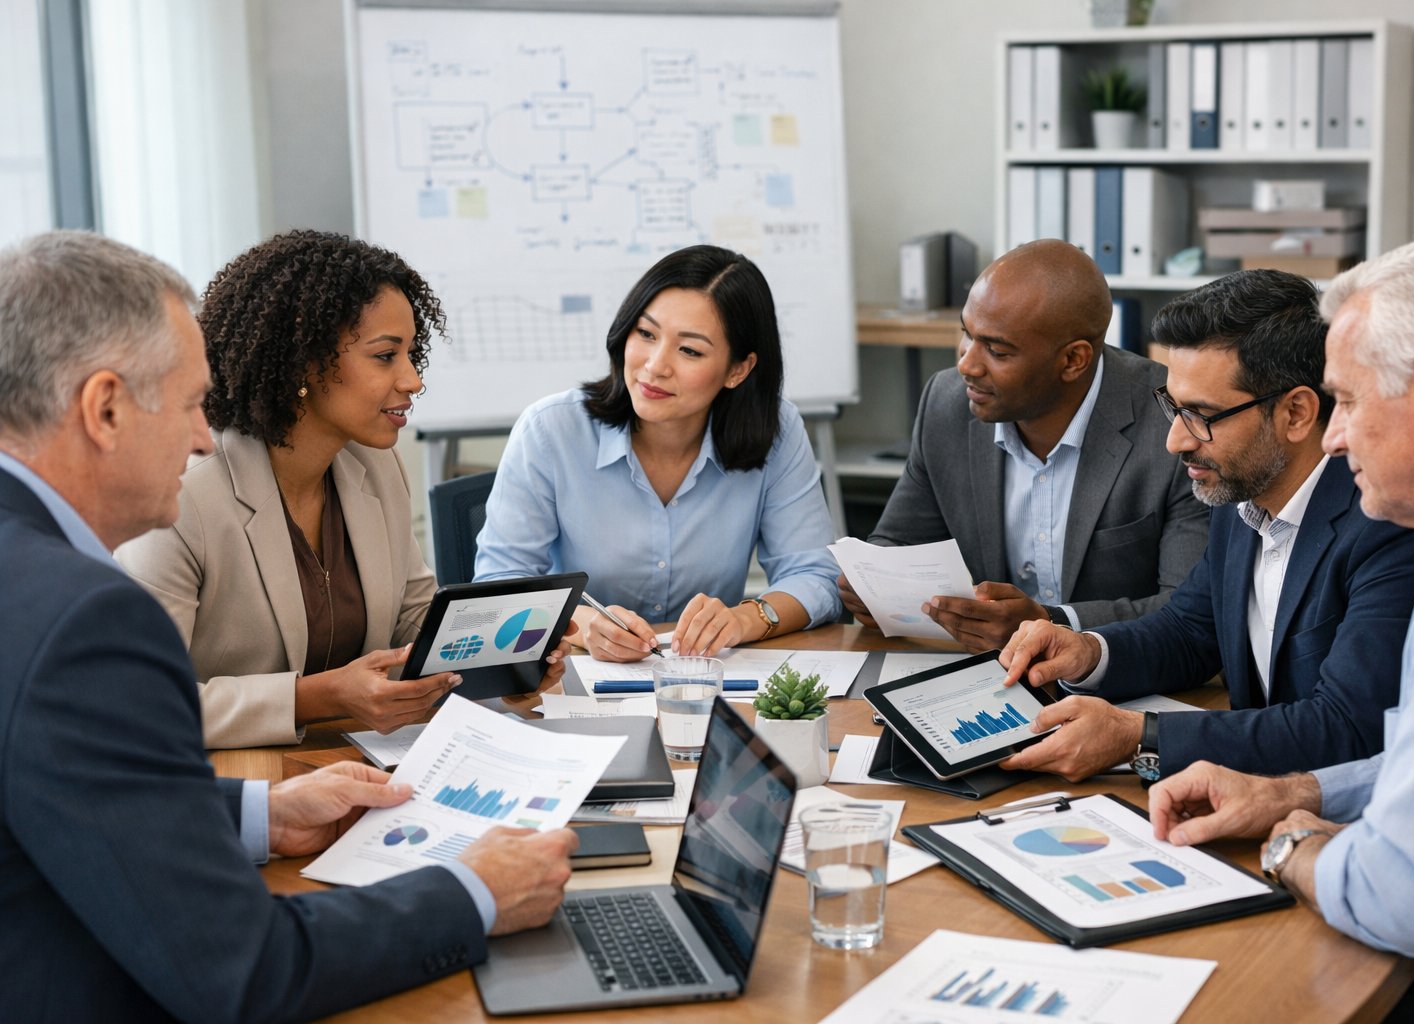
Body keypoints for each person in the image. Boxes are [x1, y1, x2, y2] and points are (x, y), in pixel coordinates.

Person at [0, 230, 578, 1021]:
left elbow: (68, 784)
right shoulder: (81, 616)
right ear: (104, 407)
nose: (204, 434)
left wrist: (260, 814)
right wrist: (473, 890)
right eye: (191, 405)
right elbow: (242, 969)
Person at [1147, 240, 1414, 1024]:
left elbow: (1410, 894)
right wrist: (1299, 792)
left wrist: (1296, 848)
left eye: (1349, 402)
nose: (1332, 437)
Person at [115, 230, 571, 749]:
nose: (412, 380)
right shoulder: (182, 496)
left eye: (411, 354)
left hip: (357, 764)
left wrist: (503, 666)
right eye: (385, 356)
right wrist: (318, 697)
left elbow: (412, 622)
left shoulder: (374, 464)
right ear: (305, 362)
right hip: (236, 784)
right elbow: (140, 704)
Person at [996, 270, 1414, 782]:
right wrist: (1089, 652)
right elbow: (1191, 630)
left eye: (1201, 415)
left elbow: (1348, 728)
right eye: (1174, 408)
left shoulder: (1386, 522)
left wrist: (1140, 736)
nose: (1176, 440)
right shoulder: (1240, 489)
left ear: (1296, 413)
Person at [474, 244, 841, 660]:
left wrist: (745, 619)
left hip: (705, 684)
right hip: (574, 684)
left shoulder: (777, 429)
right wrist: (585, 626)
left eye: (690, 350)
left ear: (738, 370)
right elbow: (499, 587)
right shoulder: (550, 430)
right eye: (646, 334)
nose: (655, 366)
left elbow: (816, 576)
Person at [839, 239, 1209, 652]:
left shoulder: (1174, 425)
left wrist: (1051, 623)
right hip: (983, 676)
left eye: (996, 350)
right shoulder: (947, 403)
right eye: (966, 333)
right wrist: (873, 583)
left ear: (1073, 360)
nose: (967, 364)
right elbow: (899, 543)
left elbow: (1190, 609)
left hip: (1123, 680)